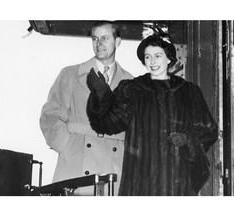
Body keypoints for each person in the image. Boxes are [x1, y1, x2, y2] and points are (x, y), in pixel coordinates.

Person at [86, 30, 219, 195]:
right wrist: (102, 94)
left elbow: (210, 130)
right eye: (147, 57)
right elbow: (109, 124)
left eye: (157, 56)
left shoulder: (188, 91)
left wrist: (187, 137)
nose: (152, 61)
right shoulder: (132, 89)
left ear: (169, 58)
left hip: (178, 180)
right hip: (141, 179)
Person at [39, 21, 133, 195]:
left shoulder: (131, 82)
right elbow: (50, 117)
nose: (99, 44)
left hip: (113, 167)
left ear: (117, 41)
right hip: (76, 163)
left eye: (105, 38)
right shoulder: (70, 74)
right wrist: (68, 146)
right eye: (95, 38)